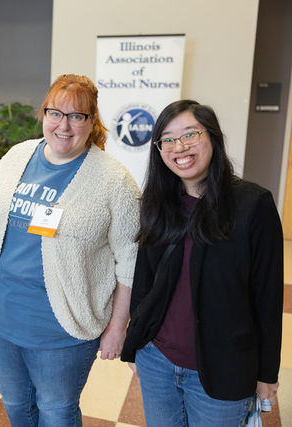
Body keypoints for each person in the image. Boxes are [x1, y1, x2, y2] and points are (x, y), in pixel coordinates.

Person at [0, 74, 140, 426]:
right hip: (6, 318)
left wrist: (118, 327)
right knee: (16, 405)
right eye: (55, 113)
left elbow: (131, 262)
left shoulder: (115, 181)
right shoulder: (17, 156)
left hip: (63, 330)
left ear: (92, 121)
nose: (64, 125)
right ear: (44, 114)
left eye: (77, 116)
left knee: (57, 412)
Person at [121, 100, 283, 427]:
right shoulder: (158, 202)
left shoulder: (253, 205)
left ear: (213, 136)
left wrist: (267, 372)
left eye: (190, 134)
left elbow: (268, 296)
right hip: (158, 361)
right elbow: (145, 278)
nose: (179, 147)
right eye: (167, 139)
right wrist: (136, 342)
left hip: (224, 367)